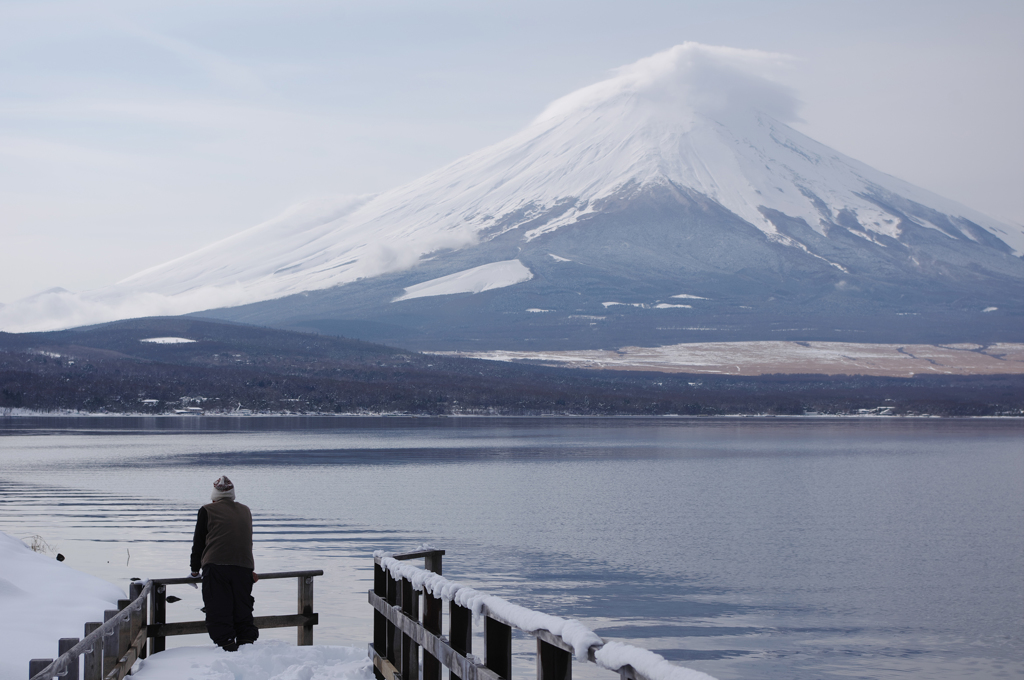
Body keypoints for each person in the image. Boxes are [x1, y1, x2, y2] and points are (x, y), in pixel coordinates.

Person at [190, 475, 259, 652]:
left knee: (218, 607)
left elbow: (199, 542)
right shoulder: (245, 510)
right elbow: (246, 540)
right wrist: (251, 568)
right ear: (232, 495)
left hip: (216, 565)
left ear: (214, 496)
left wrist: (194, 569)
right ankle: (246, 643)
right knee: (242, 607)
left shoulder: (207, 510)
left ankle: (227, 645)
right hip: (243, 566)